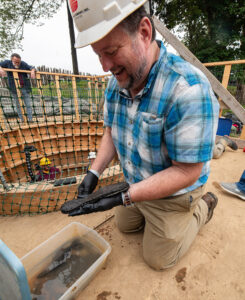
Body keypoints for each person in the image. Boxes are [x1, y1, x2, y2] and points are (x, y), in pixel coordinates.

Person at [65, 0, 220, 270]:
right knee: (125, 227)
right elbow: (112, 131)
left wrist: (124, 196)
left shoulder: (188, 89)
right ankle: (147, 212)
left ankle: (203, 208)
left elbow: (187, 171)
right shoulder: (116, 83)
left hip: (175, 193)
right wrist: (94, 172)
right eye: (98, 55)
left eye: (111, 51)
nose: (105, 66)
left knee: (158, 260)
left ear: (145, 32)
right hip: (136, 182)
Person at [0, 53, 36, 122]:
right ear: (11, 60)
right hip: (14, 88)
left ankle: (30, 119)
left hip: (25, 87)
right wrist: (1, 69)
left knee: (28, 104)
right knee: (18, 105)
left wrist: (32, 71)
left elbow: (31, 67)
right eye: (16, 62)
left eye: (18, 62)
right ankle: (22, 119)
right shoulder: (7, 63)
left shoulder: (23, 64)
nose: (17, 63)